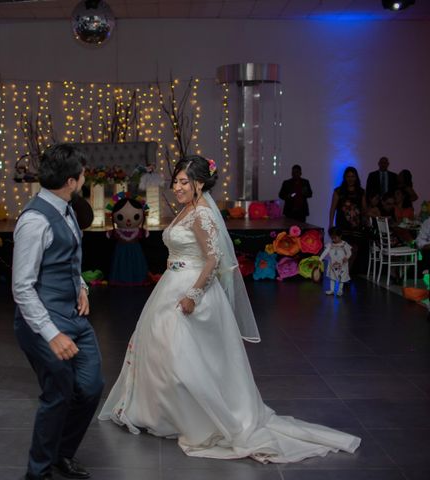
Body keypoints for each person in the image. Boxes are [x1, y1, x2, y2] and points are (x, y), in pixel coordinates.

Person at [99, 155, 360, 462]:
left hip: (192, 292)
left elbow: (213, 259)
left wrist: (193, 295)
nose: (177, 187)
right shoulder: (187, 209)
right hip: (171, 284)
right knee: (162, 352)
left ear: (199, 184)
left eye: (184, 182)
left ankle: (199, 418)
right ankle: (164, 412)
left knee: (184, 361)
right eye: (176, 181)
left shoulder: (203, 214)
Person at [12, 144, 104, 480]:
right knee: (59, 393)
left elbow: (68, 257)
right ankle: (37, 472)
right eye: (82, 174)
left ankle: (62, 453)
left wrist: (82, 286)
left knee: (91, 387)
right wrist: (51, 334)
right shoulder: (35, 221)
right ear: (71, 180)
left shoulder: (67, 208)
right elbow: (21, 287)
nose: (84, 178)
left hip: (74, 317)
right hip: (42, 324)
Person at [328, 166, 367, 272]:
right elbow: (332, 209)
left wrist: (366, 219)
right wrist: (331, 224)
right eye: (348, 176)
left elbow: (364, 209)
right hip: (342, 225)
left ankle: (347, 272)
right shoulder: (338, 191)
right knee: (343, 250)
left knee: (354, 250)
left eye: (353, 176)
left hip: (356, 226)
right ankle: (342, 272)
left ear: (356, 177)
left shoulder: (361, 192)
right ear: (345, 177)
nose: (350, 178)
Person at [320, 227, 352, 296]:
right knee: (332, 277)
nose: (333, 239)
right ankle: (332, 289)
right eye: (332, 238)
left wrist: (346, 257)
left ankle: (340, 290)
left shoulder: (344, 244)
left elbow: (349, 252)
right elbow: (325, 252)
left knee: (341, 277)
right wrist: (320, 259)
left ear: (340, 236)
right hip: (333, 264)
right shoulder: (331, 245)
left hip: (342, 265)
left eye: (335, 238)